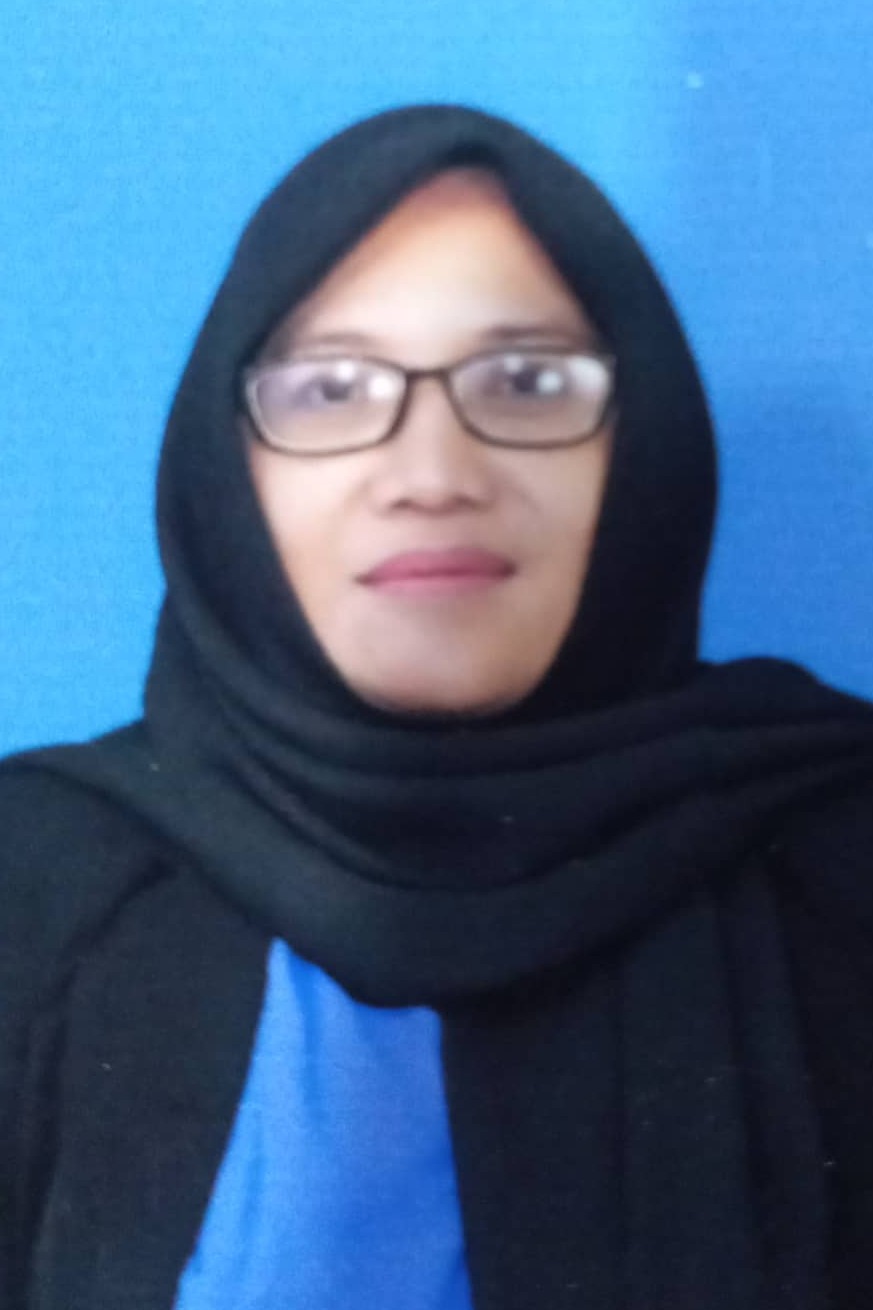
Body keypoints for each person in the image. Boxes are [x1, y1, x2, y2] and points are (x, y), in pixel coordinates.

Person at [1, 102, 872, 1310]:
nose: (432, 475)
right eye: (330, 388)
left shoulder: (836, 861)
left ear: (645, 440)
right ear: (226, 463)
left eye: (527, 381)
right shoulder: (39, 882)